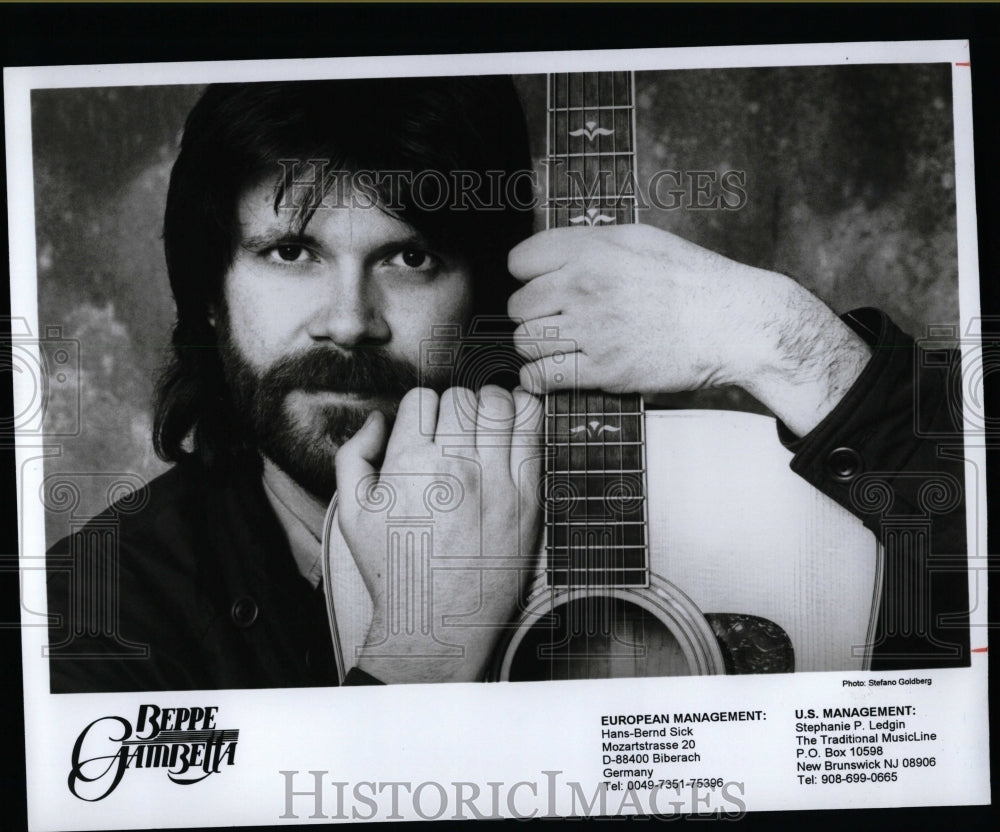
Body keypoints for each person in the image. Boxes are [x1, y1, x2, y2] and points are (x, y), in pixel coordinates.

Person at [46, 75, 969, 692]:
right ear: (208, 294)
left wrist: (777, 336)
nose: (350, 319)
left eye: (410, 256)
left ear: (488, 290)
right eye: (290, 252)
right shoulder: (103, 606)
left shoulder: (722, 505)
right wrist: (422, 639)